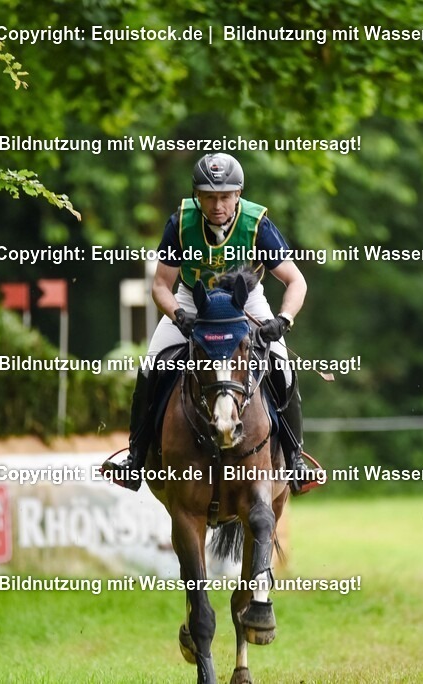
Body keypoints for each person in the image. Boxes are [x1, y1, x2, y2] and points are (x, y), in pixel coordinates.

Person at [102, 152, 320, 494]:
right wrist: (178, 314)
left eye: (225, 196)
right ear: (197, 196)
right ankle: (135, 458)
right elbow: (160, 284)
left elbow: (296, 281)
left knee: (283, 365)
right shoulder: (181, 222)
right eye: (209, 196)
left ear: (238, 195)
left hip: (244, 302)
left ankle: (294, 460)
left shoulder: (256, 223)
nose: (217, 205)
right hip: (193, 300)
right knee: (150, 367)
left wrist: (283, 319)